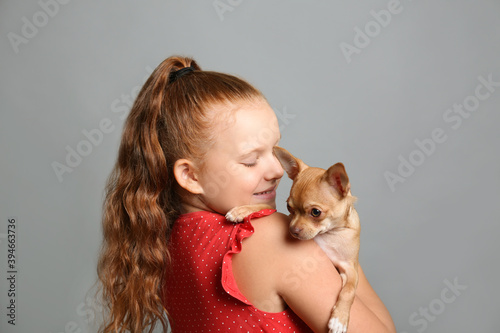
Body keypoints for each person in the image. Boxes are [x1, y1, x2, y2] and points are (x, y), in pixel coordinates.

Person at [97, 55, 396, 332]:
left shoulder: (160, 244)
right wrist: (346, 231)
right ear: (190, 176)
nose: (277, 170)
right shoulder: (273, 237)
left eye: (273, 150)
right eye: (251, 160)